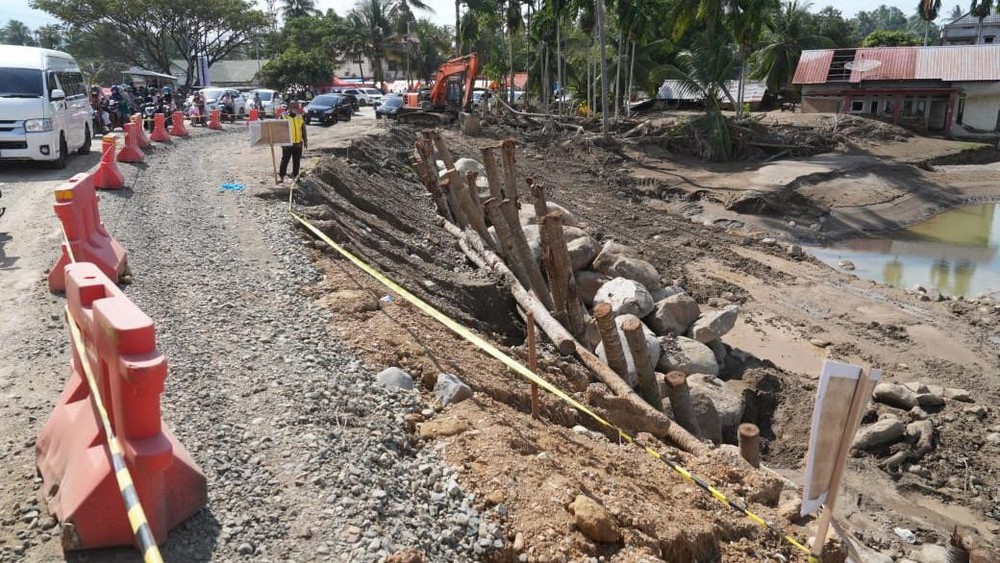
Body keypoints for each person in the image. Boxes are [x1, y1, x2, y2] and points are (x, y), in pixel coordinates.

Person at [278, 101, 307, 184]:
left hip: (298, 143)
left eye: (297, 107)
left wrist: (305, 140)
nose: (296, 109)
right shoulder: (283, 116)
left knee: (297, 161)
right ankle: (281, 176)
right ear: (289, 107)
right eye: (295, 107)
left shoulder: (299, 116)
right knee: (285, 160)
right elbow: (280, 131)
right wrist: (282, 143)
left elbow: (303, 129)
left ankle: (295, 176)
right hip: (288, 144)